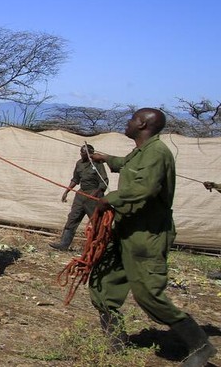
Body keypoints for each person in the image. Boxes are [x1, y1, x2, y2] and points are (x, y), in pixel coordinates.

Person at [89, 108, 216, 364]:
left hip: (147, 235)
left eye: (132, 119)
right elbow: (129, 166)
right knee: (103, 284)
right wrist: (106, 158)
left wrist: (107, 201)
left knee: (149, 295)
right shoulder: (141, 152)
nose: (127, 122)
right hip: (126, 230)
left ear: (143, 124)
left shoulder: (158, 153)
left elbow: (144, 188)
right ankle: (116, 342)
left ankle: (200, 346)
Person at [49, 144, 108, 251]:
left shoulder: (97, 164)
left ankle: (98, 246)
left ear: (90, 154)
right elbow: (75, 179)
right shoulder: (79, 163)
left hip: (94, 194)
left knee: (96, 221)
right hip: (81, 194)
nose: (81, 154)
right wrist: (67, 191)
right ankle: (64, 244)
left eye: (83, 152)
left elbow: (104, 182)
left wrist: (96, 193)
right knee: (73, 217)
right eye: (80, 152)